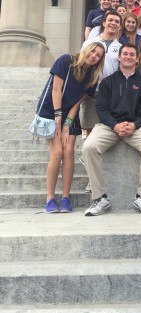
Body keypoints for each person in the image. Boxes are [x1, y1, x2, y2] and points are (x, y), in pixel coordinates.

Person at [82, 43, 141, 216]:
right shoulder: (108, 82)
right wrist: (114, 125)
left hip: (135, 127)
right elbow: (101, 108)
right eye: (125, 54)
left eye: (132, 54)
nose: (128, 57)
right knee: (89, 146)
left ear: (137, 59)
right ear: (119, 57)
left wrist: (135, 125)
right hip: (110, 127)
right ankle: (99, 198)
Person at [41, 42, 106, 213]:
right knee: (57, 152)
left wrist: (66, 125)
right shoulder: (66, 61)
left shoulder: (92, 76)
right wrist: (57, 118)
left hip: (70, 112)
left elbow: (78, 102)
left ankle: (66, 197)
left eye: (98, 55)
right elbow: (56, 89)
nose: (94, 56)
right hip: (51, 109)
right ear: (87, 49)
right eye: (93, 51)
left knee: (69, 151)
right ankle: (50, 199)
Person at [81, 11, 122, 136]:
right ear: (104, 23)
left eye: (117, 21)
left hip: (111, 94)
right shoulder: (89, 43)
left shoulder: (121, 47)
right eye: (110, 20)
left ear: (120, 26)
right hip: (92, 92)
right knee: (91, 130)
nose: (113, 23)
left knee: (108, 131)